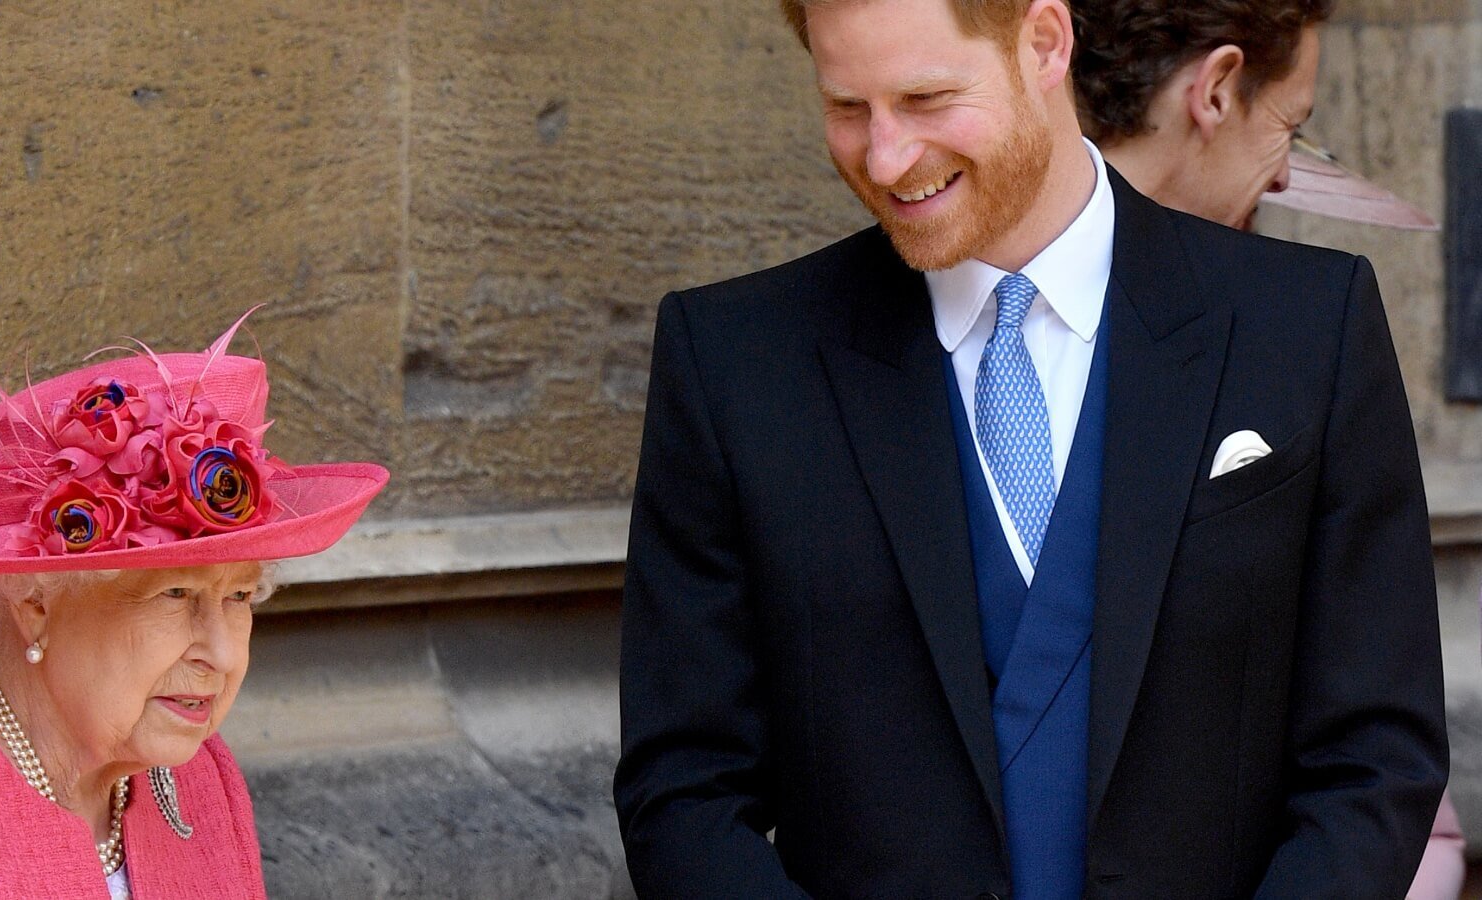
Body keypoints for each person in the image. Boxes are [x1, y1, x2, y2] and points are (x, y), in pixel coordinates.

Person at [613, 0, 1448, 896]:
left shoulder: (1307, 329)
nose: (886, 157)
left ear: (1045, 43)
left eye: (927, 97)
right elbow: (683, 788)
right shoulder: (735, 361)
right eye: (848, 107)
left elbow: (1376, 756)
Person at [0, 315, 389, 898]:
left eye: (240, 595)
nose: (221, 655)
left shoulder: (198, 775)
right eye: (175, 594)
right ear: (35, 605)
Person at [1067, 1, 1466, 894]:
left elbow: (1383, 754)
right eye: (1290, 127)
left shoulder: (1313, 327)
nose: (1289, 177)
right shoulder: (931, 303)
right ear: (1214, 90)